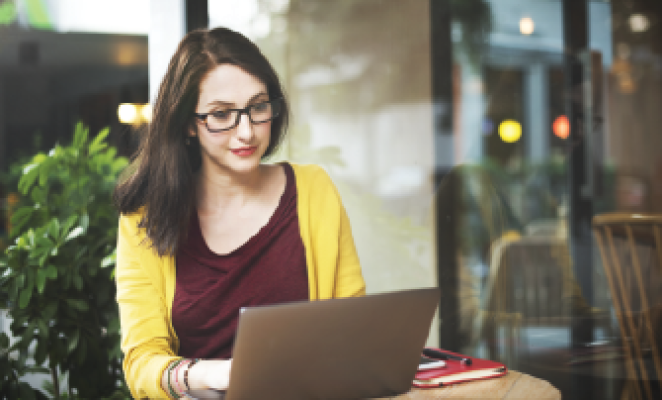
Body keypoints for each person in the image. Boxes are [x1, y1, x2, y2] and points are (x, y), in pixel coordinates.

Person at [113, 27, 366, 399]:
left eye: (258, 107)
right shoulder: (144, 219)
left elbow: (353, 327)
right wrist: (214, 375)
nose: (246, 132)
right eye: (221, 115)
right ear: (187, 123)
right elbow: (142, 363)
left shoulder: (314, 190)